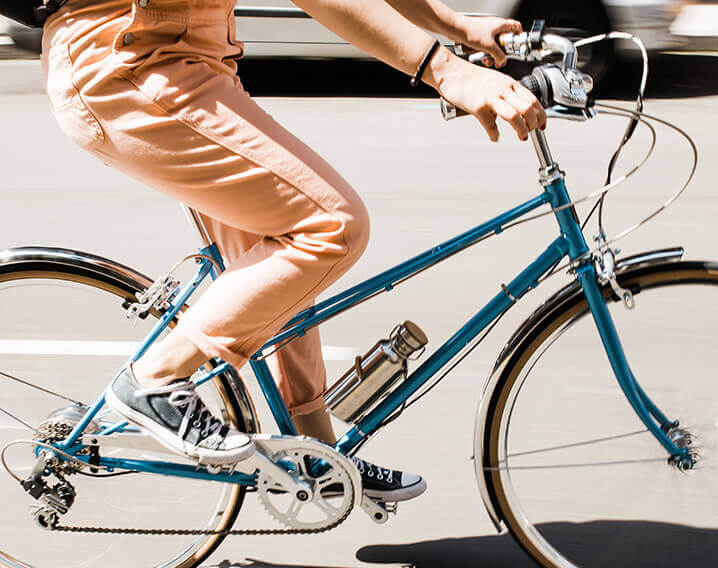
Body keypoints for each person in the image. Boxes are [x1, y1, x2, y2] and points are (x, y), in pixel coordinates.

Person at [41, 0, 545, 503]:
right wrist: (446, 69)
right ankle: (155, 379)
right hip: (129, 64)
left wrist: (455, 25)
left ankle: (314, 452)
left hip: (191, 62)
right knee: (331, 225)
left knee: (282, 266)